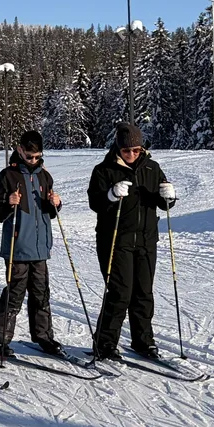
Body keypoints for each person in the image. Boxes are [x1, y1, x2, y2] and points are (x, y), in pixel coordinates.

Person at [86, 122, 174, 362]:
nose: (132, 155)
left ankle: (143, 341)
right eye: (127, 151)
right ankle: (104, 343)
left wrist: (168, 198)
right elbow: (95, 203)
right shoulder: (104, 170)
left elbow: (162, 201)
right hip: (115, 240)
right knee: (120, 292)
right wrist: (111, 195)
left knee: (143, 293)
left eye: (136, 150)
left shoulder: (152, 168)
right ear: (118, 149)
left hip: (146, 240)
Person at [0, 130, 64, 360]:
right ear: (19, 150)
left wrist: (55, 204)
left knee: (41, 294)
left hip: (40, 248)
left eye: (37, 156)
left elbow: (49, 212)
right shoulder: (7, 176)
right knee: (15, 295)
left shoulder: (44, 176)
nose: (34, 160)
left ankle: (43, 336)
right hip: (17, 247)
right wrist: (9, 203)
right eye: (29, 156)